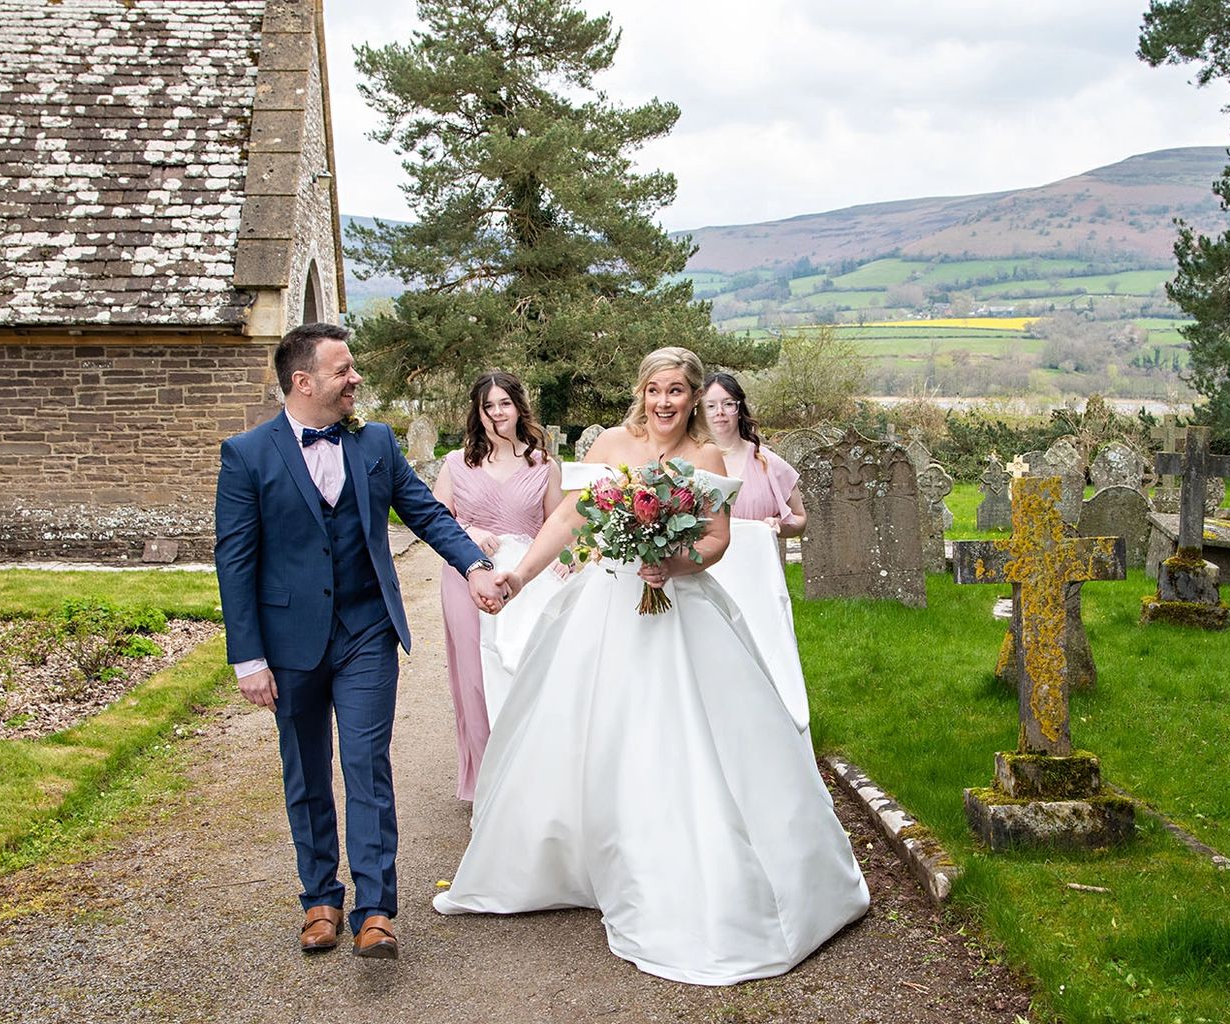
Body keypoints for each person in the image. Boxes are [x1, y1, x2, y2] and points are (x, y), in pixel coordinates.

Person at [433, 347, 869, 986]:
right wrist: (521, 576)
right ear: (641, 392)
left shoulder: (708, 459)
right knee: (588, 727)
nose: (665, 402)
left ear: (693, 398)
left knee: (678, 736)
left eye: (678, 392)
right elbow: (570, 515)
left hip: (681, 607)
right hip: (605, 603)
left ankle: (681, 866)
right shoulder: (611, 445)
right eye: (656, 390)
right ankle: (574, 859)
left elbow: (716, 540)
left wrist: (676, 562)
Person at [214, 322, 504, 961]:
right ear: (303, 381)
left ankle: (376, 909)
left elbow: (426, 511)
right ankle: (320, 898)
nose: (356, 379)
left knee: (367, 765)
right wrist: (248, 657)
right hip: (289, 642)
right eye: (343, 370)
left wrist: (473, 566)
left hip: (367, 629)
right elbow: (234, 562)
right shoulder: (248, 455)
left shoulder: (376, 442)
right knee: (307, 768)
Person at [432, 372, 563, 801]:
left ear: (518, 407)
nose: (496, 414)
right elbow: (433, 520)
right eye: (487, 406)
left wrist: (565, 563)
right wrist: (467, 532)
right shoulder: (456, 464)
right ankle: (485, 785)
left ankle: (531, 779)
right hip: (466, 575)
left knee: (527, 672)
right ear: (478, 412)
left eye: (504, 403)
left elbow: (557, 527)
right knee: (474, 677)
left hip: (527, 579)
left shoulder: (543, 466)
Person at [700, 371, 811, 732]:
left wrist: (777, 526)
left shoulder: (767, 462)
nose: (719, 413)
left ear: (739, 408)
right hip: (706, 576)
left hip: (755, 581)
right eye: (711, 405)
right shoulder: (692, 462)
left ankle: (764, 729)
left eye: (727, 404)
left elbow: (800, 519)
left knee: (759, 655)